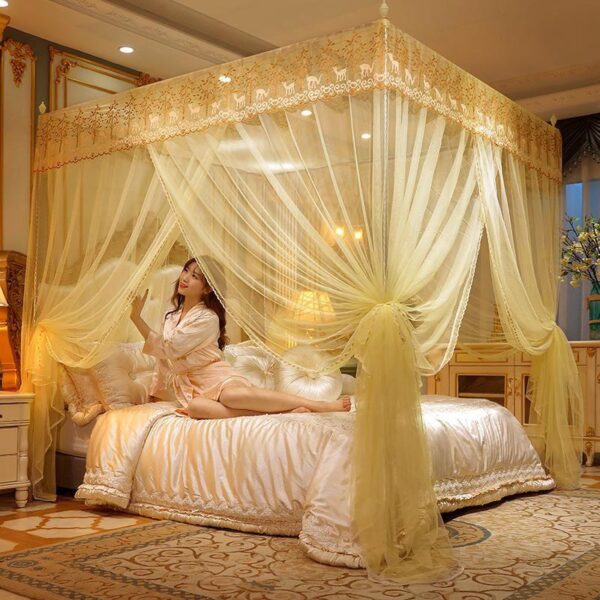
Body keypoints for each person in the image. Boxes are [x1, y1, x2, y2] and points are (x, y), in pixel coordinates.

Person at [130, 258, 351, 419]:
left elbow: (170, 348)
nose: (185, 278)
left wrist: (136, 318)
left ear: (207, 289)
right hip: (194, 387)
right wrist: (156, 394)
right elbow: (163, 360)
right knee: (196, 408)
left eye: (195, 276)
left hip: (217, 377)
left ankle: (318, 406)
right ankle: (283, 412)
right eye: (186, 270)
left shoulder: (207, 318)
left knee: (231, 397)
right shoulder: (171, 318)